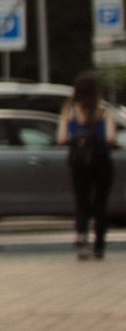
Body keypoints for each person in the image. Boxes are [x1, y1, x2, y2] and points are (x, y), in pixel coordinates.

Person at [61, 70, 115, 261]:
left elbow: (61, 138)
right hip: (101, 162)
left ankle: (82, 236)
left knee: (81, 202)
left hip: (79, 164)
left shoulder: (70, 110)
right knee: (100, 204)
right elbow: (110, 137)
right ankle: (98, 247)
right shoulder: (104, 110)